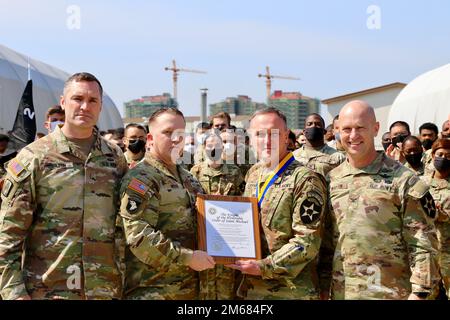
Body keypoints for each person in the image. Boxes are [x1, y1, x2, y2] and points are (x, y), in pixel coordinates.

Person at [0, 72, 127, 300]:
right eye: (77, 98)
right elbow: (9, 233)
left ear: (100, 106)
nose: (84, 107)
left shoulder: (115, 157)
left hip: (104, 289)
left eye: (93, 101)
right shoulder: (33, 158)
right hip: (49, 290)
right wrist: (14, 293)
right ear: (63, 102)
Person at [320, 100, 440, 300]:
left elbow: (423, 242)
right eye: (347, 129)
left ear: (375, 129)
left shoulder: (404, 180)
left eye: (360, 128)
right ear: (338, 130)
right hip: (343, 292)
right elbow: (326, 243)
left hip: (391, 293)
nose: (353, 136)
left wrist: (420, 293)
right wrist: (324, 288)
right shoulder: (331, 179)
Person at [228, 108, 327, 299]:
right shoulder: (254, 174)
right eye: (259, 134)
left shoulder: (305, 179)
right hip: (252, 289)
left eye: (274, 134)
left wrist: (264, 266)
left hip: (291, 290)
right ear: (250, 138)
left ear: (285, 136)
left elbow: (307, 241)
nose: (266, 141)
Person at [119, 107, 215, 300]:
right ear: (150, 139)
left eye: (180, 133)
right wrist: (187, 257)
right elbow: (138, 235)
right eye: (167, 132)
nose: (175, 139)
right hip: (154, 290)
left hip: (189, 290)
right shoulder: (141, 178)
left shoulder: (189, 178)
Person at [190, 130, 245, 300]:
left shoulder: (234, 172)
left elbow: (243, 204)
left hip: (227, 238)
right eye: (210, 146)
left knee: (226, 284)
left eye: (218, 146)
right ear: (203, 148)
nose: (214, 149)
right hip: (202, 237)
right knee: (204, 281)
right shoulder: (195, 172)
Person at [422, 139, 450, 299]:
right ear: (433, 155)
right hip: (426, 251)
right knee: (427, 294)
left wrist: (442, 215)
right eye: (440, 154)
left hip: (447, 249)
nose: (444, 159)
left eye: (448, 155)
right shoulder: (421, 182)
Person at [293, 113, 345, 178]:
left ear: (324, 131)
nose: (313, 126)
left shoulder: (338, 157)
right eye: (309, 124)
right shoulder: (293, 156)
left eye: (318, 124)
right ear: (304, 131)